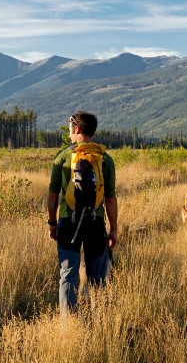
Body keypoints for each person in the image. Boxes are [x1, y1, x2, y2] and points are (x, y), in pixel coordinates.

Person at [47, 111, 118, 315]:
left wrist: (52, 223)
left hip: (69, 223)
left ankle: (68, 325)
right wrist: (113, 229)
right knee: (98, 277)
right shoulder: (105, 159)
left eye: (70, 131)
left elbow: (53, 195)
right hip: (95, 223)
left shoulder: (62, 157)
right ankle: (100, 322)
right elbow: (110, 199)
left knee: (68, 275)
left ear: (77, 129)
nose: (70, 135)